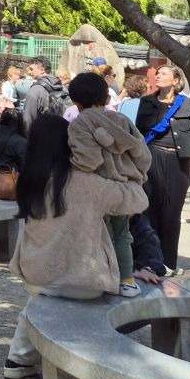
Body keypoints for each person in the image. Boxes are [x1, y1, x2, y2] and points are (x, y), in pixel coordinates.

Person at [4, 113, 150, 379]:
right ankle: (83, 363)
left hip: (35, 273)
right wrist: (121, 171)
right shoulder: (85, 182)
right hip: (81, 281)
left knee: (38, 301)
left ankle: (18, 360)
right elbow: (138, 201)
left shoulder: (30, 178)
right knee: (91, 299)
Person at [66, 72, 151, 297]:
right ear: (105, 97)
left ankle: (101, 279)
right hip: (123, 189)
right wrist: (136, 177)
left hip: (97, 189)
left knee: (96, 234)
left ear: (75, 100)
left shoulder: (80, 123)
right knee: (123, 235)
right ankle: (127, 281)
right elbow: (143, 156)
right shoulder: (122, 120)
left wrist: (70, 162)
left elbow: (89, 161)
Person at [134, 64, 190, 273]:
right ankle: (149, 261)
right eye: (157, 73)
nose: (158, 76)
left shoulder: (188, 105)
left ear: (176, 80)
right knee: (149, 210)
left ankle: (169, 262)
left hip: (178, 161)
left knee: (172, 213)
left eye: (164, 73)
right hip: (152, 158)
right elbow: (137, 132)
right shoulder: (146, 103)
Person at [22, 58, 69, 126]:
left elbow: (27, 121)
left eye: (31, 69)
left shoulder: (35, 90)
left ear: (41, 70)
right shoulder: (62, 87)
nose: (29, 72)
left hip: (41, 133)